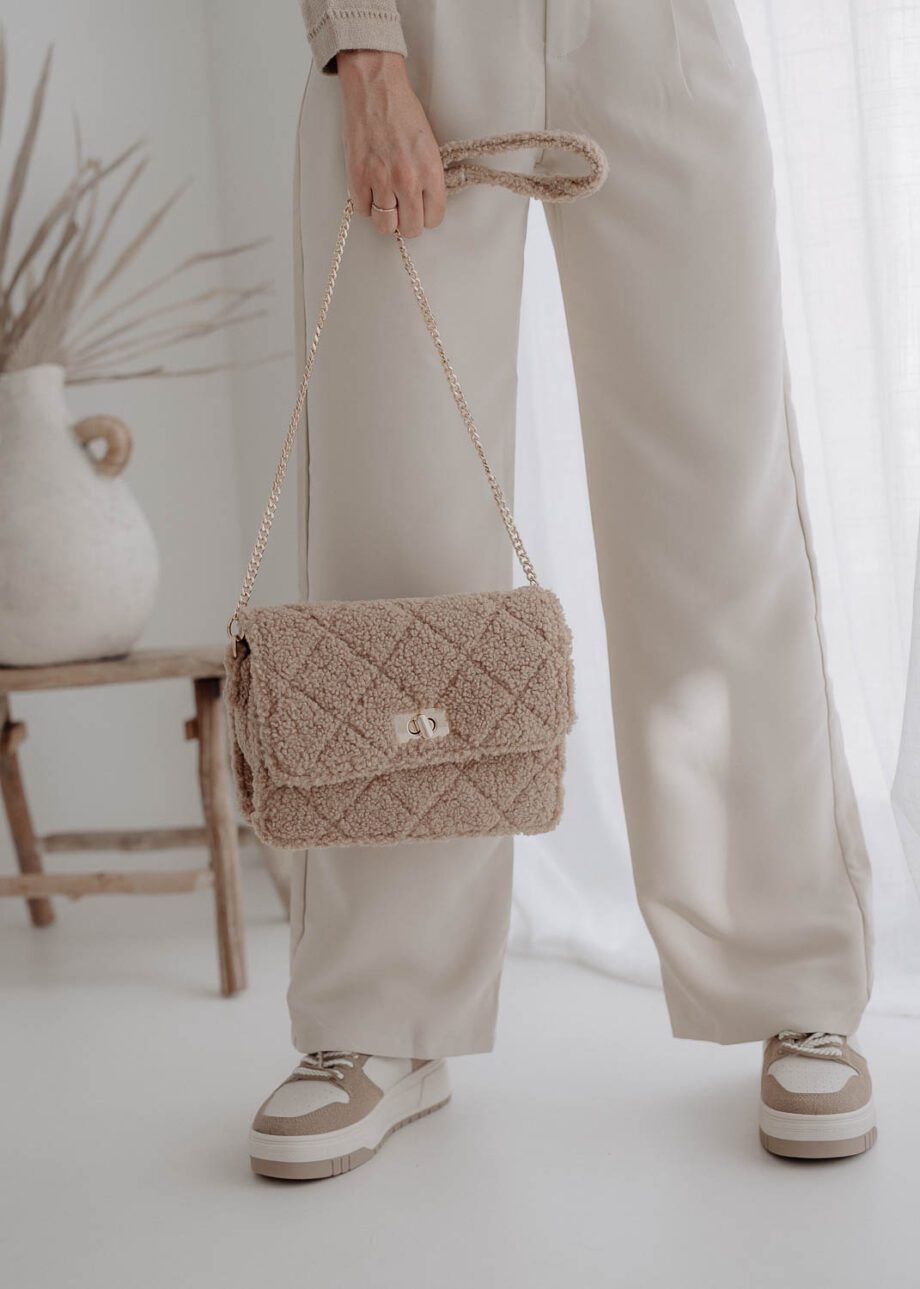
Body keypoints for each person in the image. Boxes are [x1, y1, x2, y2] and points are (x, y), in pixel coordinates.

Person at [248, 0, 876, 1180]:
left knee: (718, 520)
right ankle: (381, 1011)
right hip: (417, 37)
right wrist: (361, 46)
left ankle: (790, 982)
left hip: (657, 40)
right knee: (398, 535)